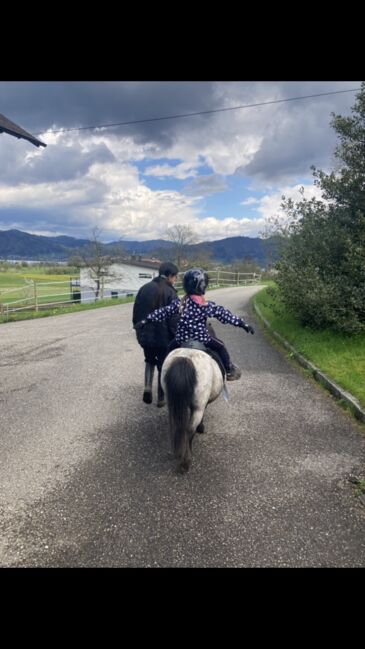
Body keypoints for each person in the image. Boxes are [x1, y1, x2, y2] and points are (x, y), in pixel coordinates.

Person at [143, 267, 254, 381]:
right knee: (221, 346)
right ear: (202, 286)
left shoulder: (180, 303)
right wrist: (242, 324)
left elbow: (164, 312)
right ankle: (229, 370)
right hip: (202, 338)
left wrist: (147, 319)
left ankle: (163, 372)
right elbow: (225, 315)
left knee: (168, 351)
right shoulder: (206, 305)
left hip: (181, 339)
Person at [133, 261, 179, 406]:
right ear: (170, 276)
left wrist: (138, 329)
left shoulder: (144, 289)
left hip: (145, 336)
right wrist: (176, 335)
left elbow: (136, 313)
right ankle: (161, 396)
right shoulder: (171, 293)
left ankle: (147, 387)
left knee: (149, 360)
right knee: (162, 364)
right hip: (163, 337)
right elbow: (174, 319)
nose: (175, 280)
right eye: (175, 277)